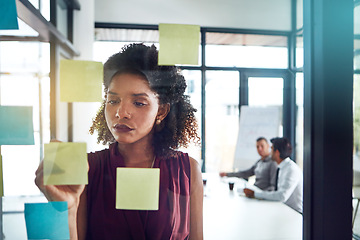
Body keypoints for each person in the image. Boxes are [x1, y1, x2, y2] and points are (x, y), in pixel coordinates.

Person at [35, 43, 204, 239]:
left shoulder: (187, 170)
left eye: (139, 103)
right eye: (113, 100)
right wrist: (67, 209)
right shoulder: (88, 168)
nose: (120, 113)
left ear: (162, 111)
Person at [243, 137, 303, 213]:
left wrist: (256, 194)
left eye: (271, 149)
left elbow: (282, 196)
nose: (270, 152)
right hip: (283, 209)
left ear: (277, 152)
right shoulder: (282, 167)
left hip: (294, 214)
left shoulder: (291, 169)